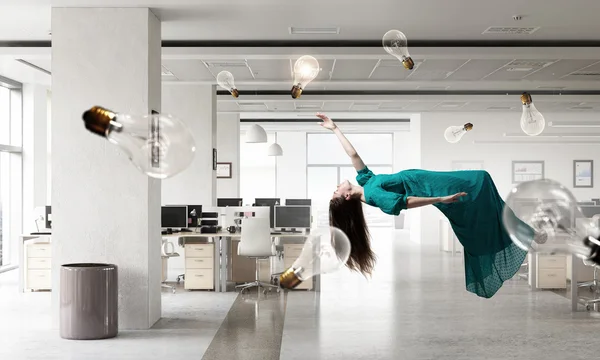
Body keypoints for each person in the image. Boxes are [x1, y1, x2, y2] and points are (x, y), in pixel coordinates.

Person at [318, 113, 530, 299]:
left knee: (483, 183)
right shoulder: (373, 195)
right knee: (481, 180)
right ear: (346, 197)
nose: (337, 186)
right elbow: (406, 203)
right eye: (336, 190)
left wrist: (335, 129)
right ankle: (515, 233)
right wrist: (440, 199)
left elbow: (353, 155)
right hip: (431, 186)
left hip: (428, 180)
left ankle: (517, 229)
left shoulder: (366, 183)